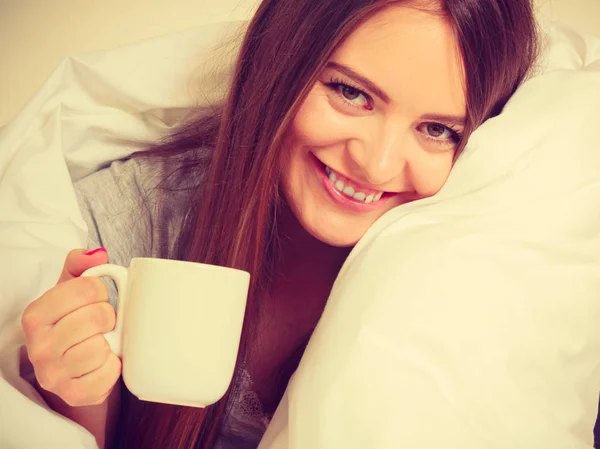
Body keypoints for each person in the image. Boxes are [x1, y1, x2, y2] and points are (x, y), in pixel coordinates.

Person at [20, 0, 539, 448]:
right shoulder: (133, 216)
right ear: (278, 65)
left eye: (437, 129)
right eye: (351, 93)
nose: (377, 165)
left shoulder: (476, 283)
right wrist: (72, 393)